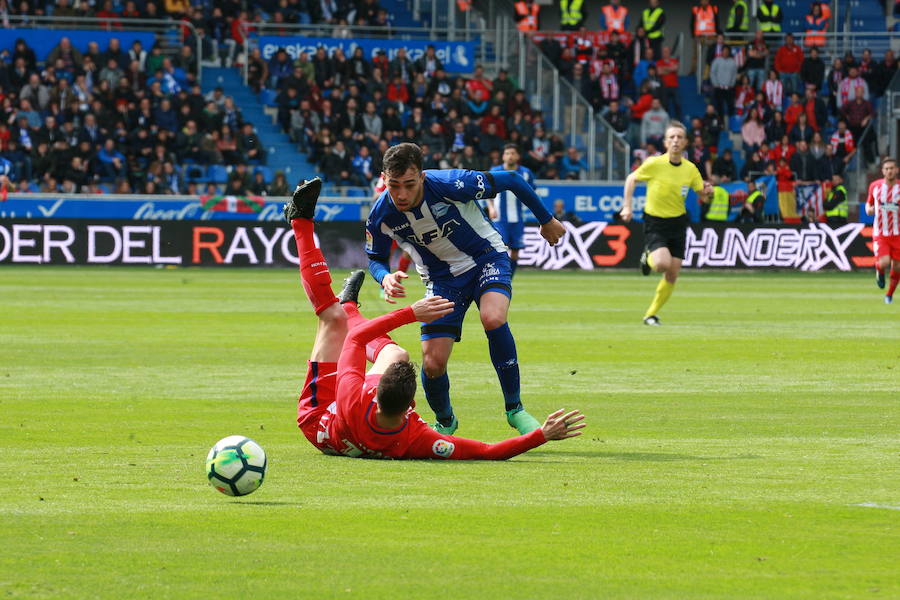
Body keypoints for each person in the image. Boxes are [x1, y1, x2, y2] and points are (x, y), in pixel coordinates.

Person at [284, 178, 585, 459]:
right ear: (407, 410)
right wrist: (543, 435)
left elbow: (356, 338)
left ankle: (301, 221)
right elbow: (487, 452)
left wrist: (411, 313)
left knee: (333, 317)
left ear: (372, 395)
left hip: (319, 417)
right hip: (444, 280)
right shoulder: (415, 437)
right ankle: (345, 303)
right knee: (396, 353)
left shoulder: (353, 397)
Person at [365, 143, 566, 434]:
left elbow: (511, 179)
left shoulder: (451, 183)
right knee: (433, 363)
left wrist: (546, 220)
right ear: (384, 178)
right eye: (394, 185)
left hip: (486, 256)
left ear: (421, 176)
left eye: (409, 184)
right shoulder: (381, 216)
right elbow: (375, 258)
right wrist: (384, 277)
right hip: (442, 280)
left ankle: (515, 409)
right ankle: (445, 421)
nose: (402, 194)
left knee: (493, 318)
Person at [621, 121, 712, 325]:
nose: (675, 141)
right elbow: (631, 179)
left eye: (679, 137)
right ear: (665, 142)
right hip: (655, 221)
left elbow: (702, 196)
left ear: (686, 142)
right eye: (672, 137)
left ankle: (650, 314)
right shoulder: (655, 164)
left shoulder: (690, 169)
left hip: (678, 223)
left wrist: (708, 193)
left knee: (672, 274)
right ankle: (648, 256)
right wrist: (627, 207)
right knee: (662, 264)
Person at [484, 144, 536, 278]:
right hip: (499, 218)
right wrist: (491, 208)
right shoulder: (495, 171)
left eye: (513, 153)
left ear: (518, 156)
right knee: (501, 250)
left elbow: (531, 192)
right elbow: (487, 192)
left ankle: (508, 279)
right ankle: (499, 277)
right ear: (503, 156)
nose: (510, 156)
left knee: (515, 253)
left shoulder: (526, 173)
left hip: (517, 219)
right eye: (507, 153)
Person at [865, 158, 900, 303]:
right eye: (886, 168)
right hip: (881, 233)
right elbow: (868, 205)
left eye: (892, 168)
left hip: (898, 234)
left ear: (896, 170)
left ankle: (889, 294)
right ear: (882, 171)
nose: (889, 171)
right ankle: (879, 271)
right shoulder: (875, 186)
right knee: (885, 262)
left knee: (897, 267)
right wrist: (869, 210)